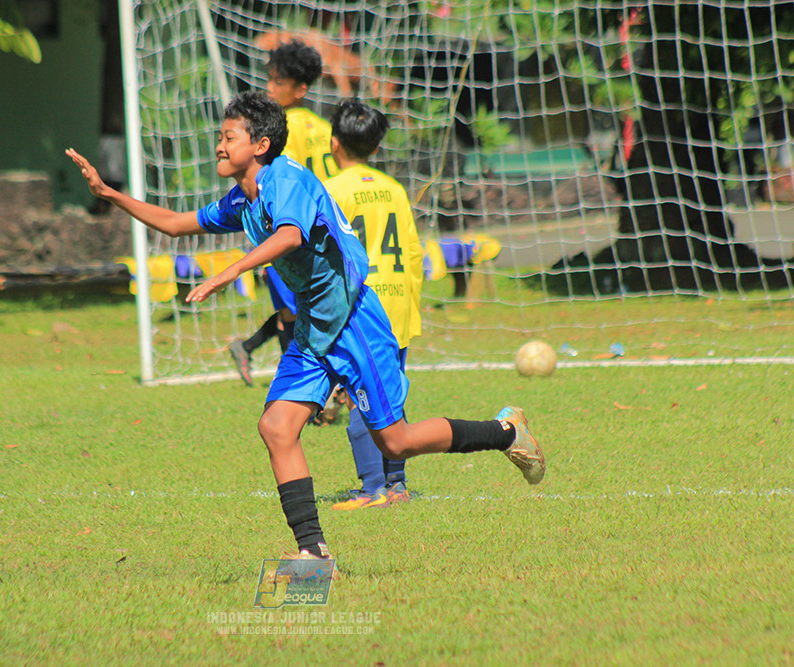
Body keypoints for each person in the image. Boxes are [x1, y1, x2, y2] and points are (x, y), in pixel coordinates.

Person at [66, 91, 546, 561]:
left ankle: (506, 432)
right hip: (315, 329)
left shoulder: (286, 178)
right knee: (276, 427)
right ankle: (313, 552)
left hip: (355, 320)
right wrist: (108, 193)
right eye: (221, 136)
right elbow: (175, 223)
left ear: (260, 145)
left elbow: (291, 235)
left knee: (396, 441)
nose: (219, 146)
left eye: (229, 137)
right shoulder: (242, 200)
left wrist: (231, 271)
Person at [324, 99, 423, 510]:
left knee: (361, 399)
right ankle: (396, 483)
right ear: (376, 147)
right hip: (398, 304)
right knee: (390, 396)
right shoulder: (395, 189)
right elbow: (414, 253)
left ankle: (373, 487)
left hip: (363, 308)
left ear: (334, 143)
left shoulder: (332, 190)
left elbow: (328, 255)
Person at [228, 39, 338, 386]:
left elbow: (276, 189)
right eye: (270, 80)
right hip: (322, 234)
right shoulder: (325, 129)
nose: (270, 88)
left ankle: (299, 386)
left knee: (293, 313)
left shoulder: (282, 131)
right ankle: (303, 385)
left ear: (300, 89)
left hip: (290, 235)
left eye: (279, 82)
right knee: (298, 311)